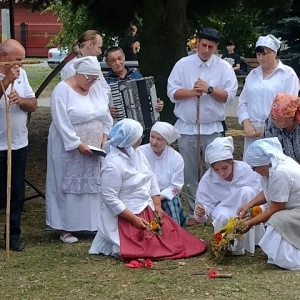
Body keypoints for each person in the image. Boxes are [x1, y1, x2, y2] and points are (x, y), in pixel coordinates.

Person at [89, 119, 207, 260]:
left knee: (173, 239)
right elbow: (110, 198)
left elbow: (151, 178)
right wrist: (133, 219)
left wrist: (157, 206)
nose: (143, 139)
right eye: (140, 137)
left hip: (147, 207)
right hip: (125, 213)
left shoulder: (137, 154)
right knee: (148, 246)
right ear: (131, 139)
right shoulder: (112, 164)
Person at [167, 27, 238, 226]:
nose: (206, 50)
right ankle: (195, 212)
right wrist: (192, 92)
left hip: (212, 127)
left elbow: (229, 96)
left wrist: (209, 89)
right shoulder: (183, 64)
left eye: (211, 47)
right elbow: (172, 93)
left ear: (216, 47)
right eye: (203, 45)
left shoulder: (223, 67)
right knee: (190, 171)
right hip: (187, 127)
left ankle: (218, 208)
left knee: (218, 169)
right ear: (197, 43)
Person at [46, 56, 113, 243]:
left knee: (94, 184)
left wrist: (105, 135)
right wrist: (76, 143)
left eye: (95, 79)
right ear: (79, 73)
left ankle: (92, 224)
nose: (91, 83)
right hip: (69, 145)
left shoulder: (95, 88)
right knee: (67, 184)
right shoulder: (63, 90)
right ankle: (66, 227)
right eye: (89, 79)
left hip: (94, 143)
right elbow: (60, 121)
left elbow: (105, 115)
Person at [194, 136, 264, 255]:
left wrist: (259, 210)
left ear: (231, 161)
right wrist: (202, 211)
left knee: (247, 191)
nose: (221, 173)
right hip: (223, 208)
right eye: (216, 170)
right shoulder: (207, 180)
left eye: (224, 167)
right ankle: (228, 246)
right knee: (222, 215)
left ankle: (251, 242)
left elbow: (262, 193)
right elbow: (205, 205)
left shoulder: (248, 170)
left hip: (247, 208)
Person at [239, 137, 300, 270]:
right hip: (295, 208)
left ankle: (291, 258)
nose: (254, 171)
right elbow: (269, 190)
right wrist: (248, 205)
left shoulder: (280, 173)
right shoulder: (277, 163)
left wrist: (250, 223)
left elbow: (275, 209)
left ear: (265, 164)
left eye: (254, 167)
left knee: (277, 220)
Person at [0, 39, 37, 251]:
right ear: (4, 56)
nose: (21, 64)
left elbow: (33, 104)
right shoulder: (8, 74)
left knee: (16, 192)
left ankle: (12, 236)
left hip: (18, 144)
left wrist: (20, 100)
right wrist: (5, 82)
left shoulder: (21, 74)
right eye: (18, 59)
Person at [237, 34, 299, 158]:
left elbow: (289, 106)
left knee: (273, 168)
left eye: (265, 54)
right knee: (253, 169)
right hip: (252, 131)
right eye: (258, 54)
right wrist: (246, 123)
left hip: (277, 133)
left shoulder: (287, 74)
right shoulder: (253, 75)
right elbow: (243, 102)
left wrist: (271, 127)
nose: (261, 58)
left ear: (275, 53)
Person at [104, 46, 164, 144]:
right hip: (119, 129)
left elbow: (149, 99)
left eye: (119, 58)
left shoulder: (136, 76)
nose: (117, 63)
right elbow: (99, 104)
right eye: (113, 60)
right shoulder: (106, 81)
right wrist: (107, 110)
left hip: (141, 128)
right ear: (108, 63)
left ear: (124, 57)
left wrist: (157, 104)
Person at [139, 122, 187, 227]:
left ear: (167, 141)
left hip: (164, 195)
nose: (154, 142)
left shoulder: (176, 158)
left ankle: (175, 232)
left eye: (159, 139)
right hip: (143, 194)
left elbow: (176, 186)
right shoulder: (139, 152)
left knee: (171, 204)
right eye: (152, 137)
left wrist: (157, 198)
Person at [60, 30, 110, 95]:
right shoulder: (71, 68)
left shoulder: (94, 65)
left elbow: (106, 89)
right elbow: (73, 96)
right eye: (99, 47)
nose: (100, 52)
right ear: (89, 45)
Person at [264, 93, 300, 163]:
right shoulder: (270, 122)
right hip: (283, 166)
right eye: (273, 118)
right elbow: (270, 149)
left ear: (291, 117)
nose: (275, 122)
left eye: (279, 119)